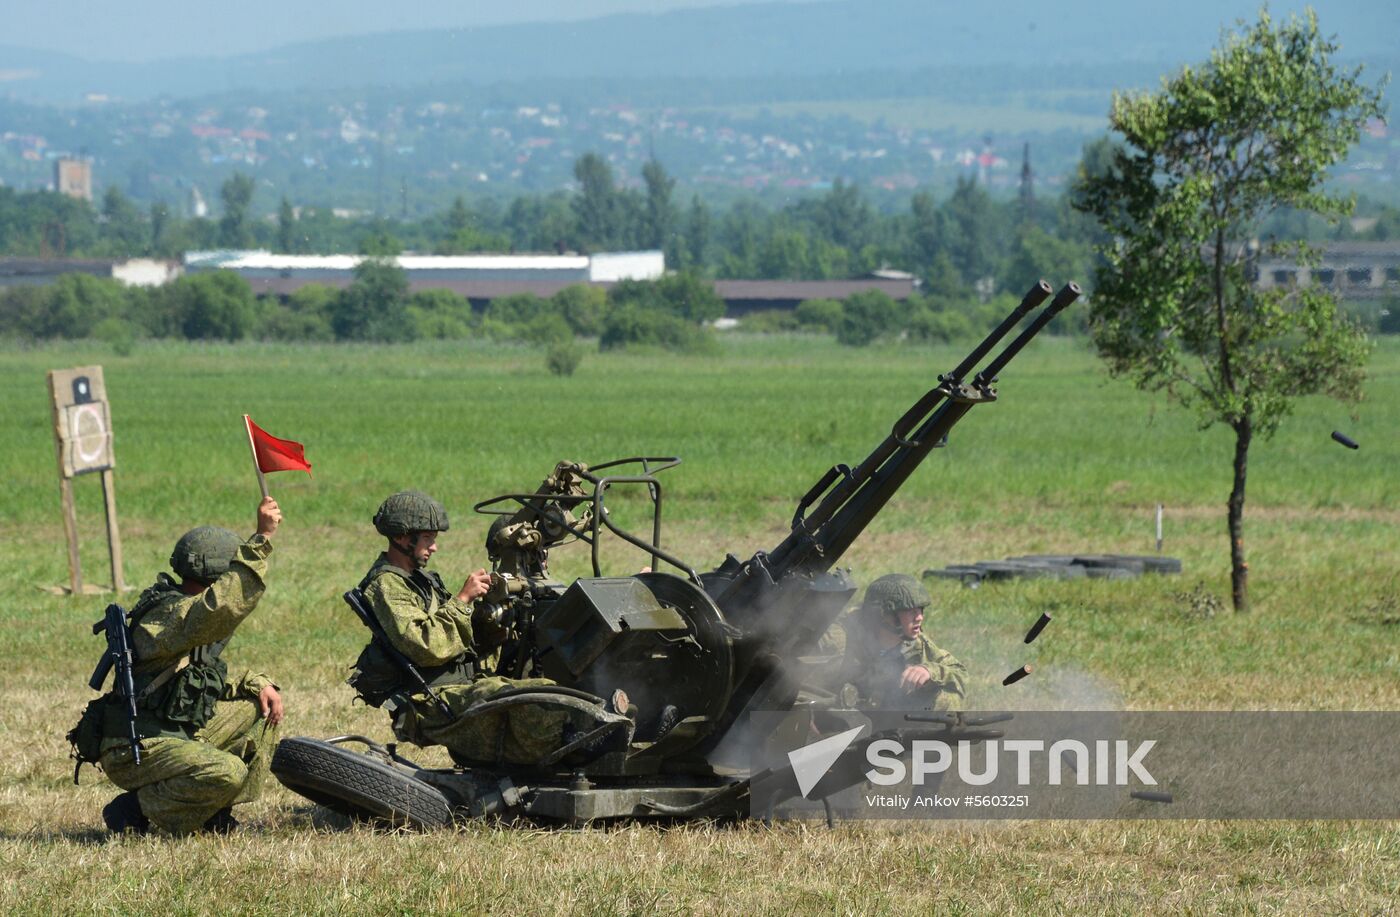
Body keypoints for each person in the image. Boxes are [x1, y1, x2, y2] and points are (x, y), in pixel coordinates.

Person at [347, 490, 631, 767]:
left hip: (457, 685)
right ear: (400, 537)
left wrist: (489, 617)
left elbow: (465, 639)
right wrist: (462, 600)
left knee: (547, 687)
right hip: (426, 702)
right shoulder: (386, 585)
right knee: (533, 699)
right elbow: (426, 645)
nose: (434, 547)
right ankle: (586, 745)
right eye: (427, 539)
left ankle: (613, 728)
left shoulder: (421, 580)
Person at [72, 496, 286, 835]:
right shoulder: (170, 616)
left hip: (169, 729)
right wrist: (260, 540)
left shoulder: (186, 616)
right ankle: (136, 810)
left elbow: (197, 678)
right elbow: (220, 608)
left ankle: (212, 812)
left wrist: (256, 683)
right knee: (227, 771)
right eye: (229, 570)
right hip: (134, 745)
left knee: (258, 708)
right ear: (217, 573)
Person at [828, 573, 966, 711]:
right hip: (838, 719)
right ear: (881, 615)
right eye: (909, 611)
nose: (919, 617)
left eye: (921, 609)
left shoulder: (917, 646)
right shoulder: (843, 636)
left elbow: (960, 674)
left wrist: (929, 671)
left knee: (946, 697)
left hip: (886, 721)